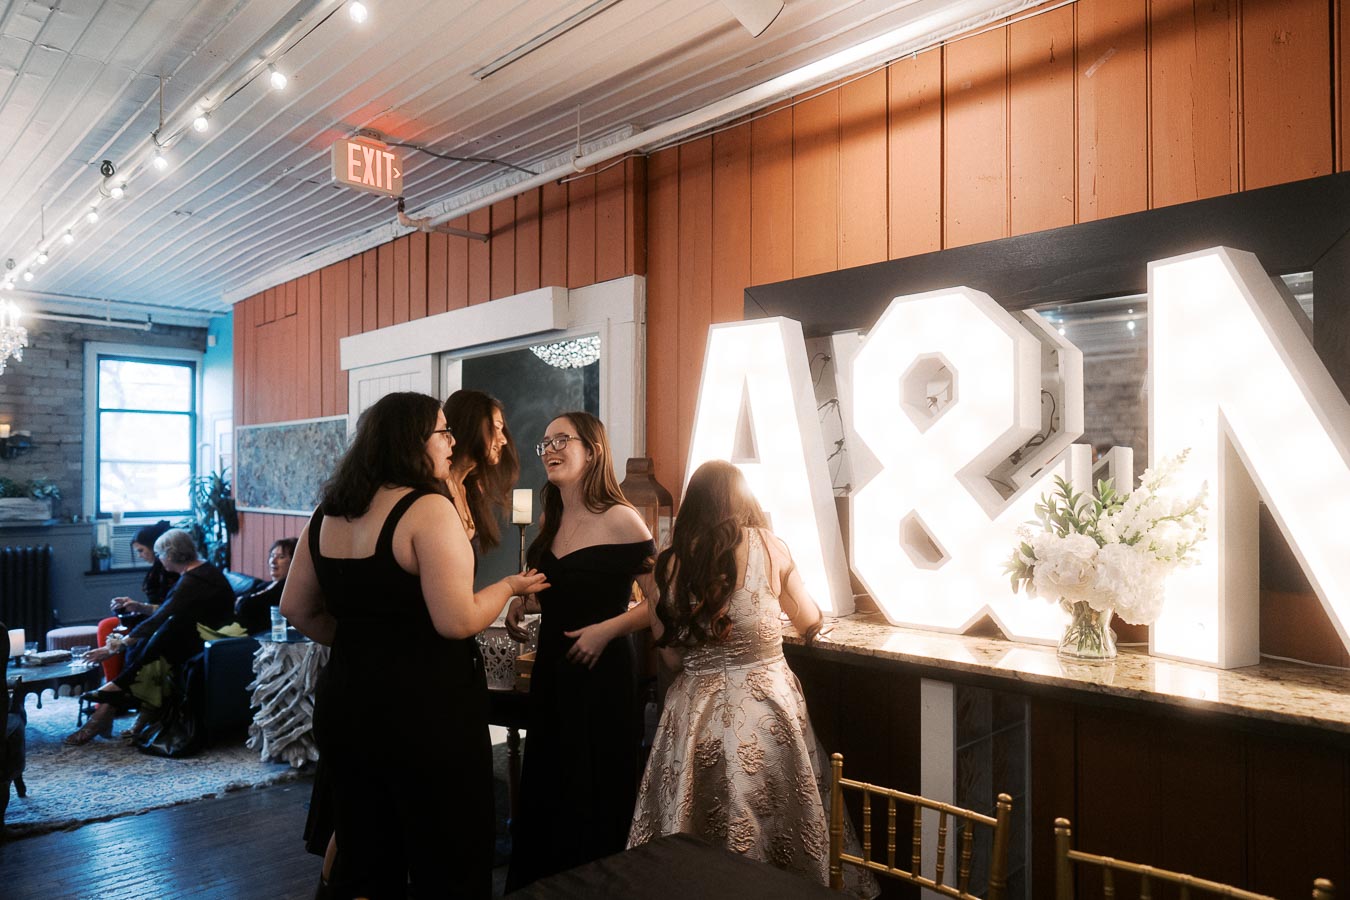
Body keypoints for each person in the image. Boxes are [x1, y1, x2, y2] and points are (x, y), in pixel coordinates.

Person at [279, 391, 547, 899]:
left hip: (349, 701)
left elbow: (296, 607)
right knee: (446, 850)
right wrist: (510, 586)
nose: (450, 442)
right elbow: (457, 620)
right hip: (425, 709)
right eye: (442, 432)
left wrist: (364, 642)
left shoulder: (328, 511)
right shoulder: (427, 507)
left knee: (365, 848)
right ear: (412, 442)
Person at [627, 460, 872, 896]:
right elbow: (809, 617)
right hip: (766, 707)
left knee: (692, 833)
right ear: (744, 499)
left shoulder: (668, 565)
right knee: (778, 827)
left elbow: (670, 658)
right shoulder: (770, 547)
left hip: (694, 711)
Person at [503, 411, 655, 891]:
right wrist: (520, 602)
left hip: (602, 676)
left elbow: (660, 605)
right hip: (553, 673)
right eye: (544, 442)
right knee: (550, 784)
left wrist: (606, 631)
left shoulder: (623, 519)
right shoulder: (552, 517)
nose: (549, 449)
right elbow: (555, 588)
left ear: (592, 450)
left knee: (595, 789)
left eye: (561, 440)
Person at [70, 528, 235, 744]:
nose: (159, 559)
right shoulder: (200, 571)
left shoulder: (192, 581)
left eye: (160, 554)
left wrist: (115, 647)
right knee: (158, 639)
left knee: (160, 637)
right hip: (202, 633)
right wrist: (139, 607)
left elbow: (166, 615)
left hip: (217, 639)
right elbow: (171, 609)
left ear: (171, 554)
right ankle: (125, 706)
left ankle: (112, 701)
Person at [94, 519, 179, 682]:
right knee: (107, 625)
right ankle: (112, 681)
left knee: (111, 629)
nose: (139, 556)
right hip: (154, 614)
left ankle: (118, 687)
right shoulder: (157, 569)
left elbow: (168, 607)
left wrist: (139, 607)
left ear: (154, 548)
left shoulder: (168, 570)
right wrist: (132, 604)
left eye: (141, 550)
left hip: (164, 620)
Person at [442, 389, 519, 553]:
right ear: (471, 425)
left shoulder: (469, 491)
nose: (503, 440)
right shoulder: (435, 493)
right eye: (496, 428)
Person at [234, 538, 297, 635]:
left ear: (293, 562)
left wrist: (241, 602)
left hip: (256, 638)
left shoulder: (285, 590)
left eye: (281, 557)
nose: (273, 561)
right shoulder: (264, 585)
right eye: (272, 556)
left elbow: (245, 607)